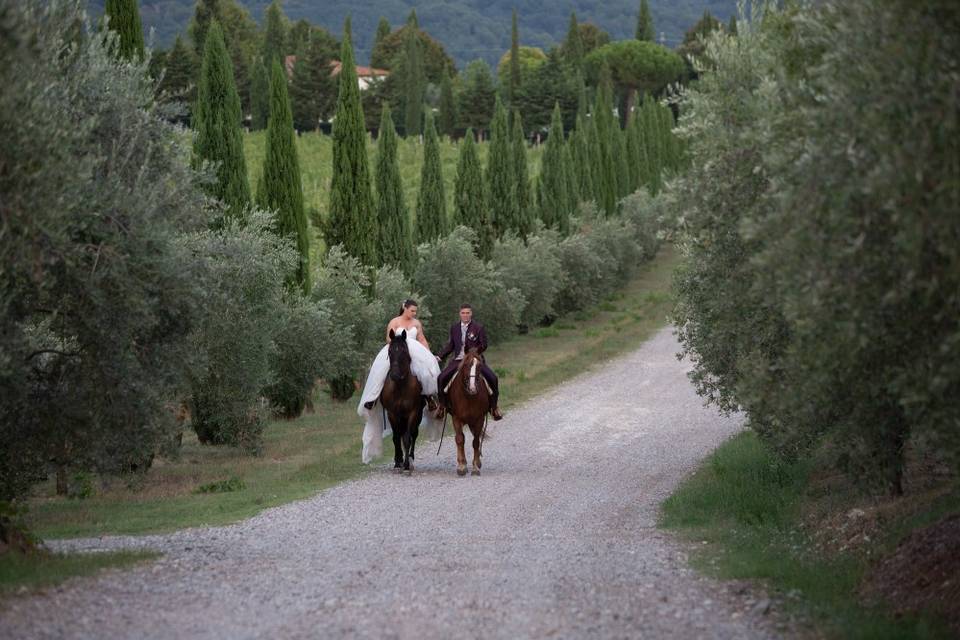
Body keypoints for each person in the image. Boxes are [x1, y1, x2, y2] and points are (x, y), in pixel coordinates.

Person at [357, 299, 442, 463]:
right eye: (412, 311)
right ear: (405, 308)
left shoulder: (416, 323)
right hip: (398, 348)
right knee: (381, 369)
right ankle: (374, 397)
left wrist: (427, 351)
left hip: (414, 351)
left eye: (415, 312)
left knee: (425, 372)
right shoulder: (395, 322)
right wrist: (399, 344)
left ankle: (430, 397)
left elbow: (422, 339)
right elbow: (388, 338)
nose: (414, 314)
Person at [435, 303, 504, 421]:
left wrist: (474, 353)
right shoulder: (454, 328)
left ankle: (494, 407)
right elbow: (451, 345)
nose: (465, 315)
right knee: (441, 378)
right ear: (459, 314)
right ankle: (442, 407)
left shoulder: (478, 327)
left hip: (475, 360)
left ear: (471, 313)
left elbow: (484, 344)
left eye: (467, 313)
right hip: (458, 360)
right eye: (463, 313)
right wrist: (440, 356)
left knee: (493, 378)